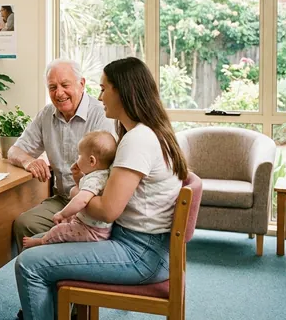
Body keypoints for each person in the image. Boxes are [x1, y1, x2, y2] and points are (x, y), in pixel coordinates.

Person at [14, 56, 188, 320]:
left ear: (122, 92)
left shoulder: (138, 140)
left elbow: (107, 211)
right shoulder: (146, 133)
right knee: (39, 243)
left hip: (140, 253)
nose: (100, 96)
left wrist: (76, 192)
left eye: (104, 88)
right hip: (145, 246)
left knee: (29, 264)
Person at [8, 59, 116, 252]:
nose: (59, 93)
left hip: (91, 202)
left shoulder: (102, 115)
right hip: (62, 198)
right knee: (25, 224)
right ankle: (38, 269)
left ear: (81, 84)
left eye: (65, 85)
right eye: (52, 87)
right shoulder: (46, 114)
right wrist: (29, 161)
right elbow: (14, 151)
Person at [21, 130, 116, 249]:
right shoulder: (99, 175)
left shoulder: (95, 179)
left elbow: (82, 200)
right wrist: (77, 176)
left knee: (59, 230)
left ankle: (42, 241)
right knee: (67, 220)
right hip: (89, 223)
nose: (77, 159)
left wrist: (62, 214)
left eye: (79, 156)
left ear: (92, 161)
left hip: (92, 231)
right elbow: (84, 189)